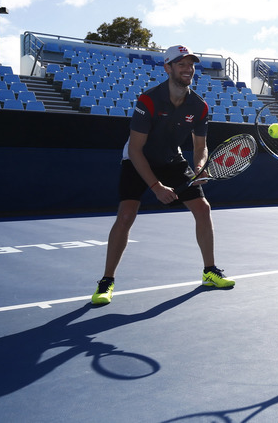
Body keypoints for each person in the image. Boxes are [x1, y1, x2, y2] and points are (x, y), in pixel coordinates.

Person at [91, 45, 235, 305]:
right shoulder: (149, 100)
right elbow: (135, 150)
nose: (187, 69)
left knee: (202, 208)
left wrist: (201, 168)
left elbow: (200, 148)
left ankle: (210, 272)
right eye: (181, 64)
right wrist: (156, 187)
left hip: (172, 158)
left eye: (190, 64)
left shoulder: (199, 106)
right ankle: (106, 281)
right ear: (167, 68)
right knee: (126, 215)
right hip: (139, 159)